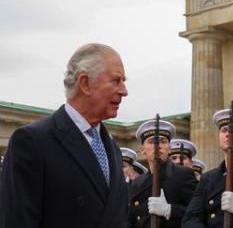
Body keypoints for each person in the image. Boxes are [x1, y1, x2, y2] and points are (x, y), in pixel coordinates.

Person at [0, 43, 129, 228]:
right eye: (116, 81)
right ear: (85, 83)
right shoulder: (33, 141)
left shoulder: (112, 148)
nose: (124, 91)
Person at [127, 119, 198, 227]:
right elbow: (129, 219)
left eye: (163, 141)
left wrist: (169, 210)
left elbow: (196, 212)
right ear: (142, 149)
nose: (158, 146)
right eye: (151, 142)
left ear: (169, 148)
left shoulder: (183, 175)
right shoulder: (137, 183)